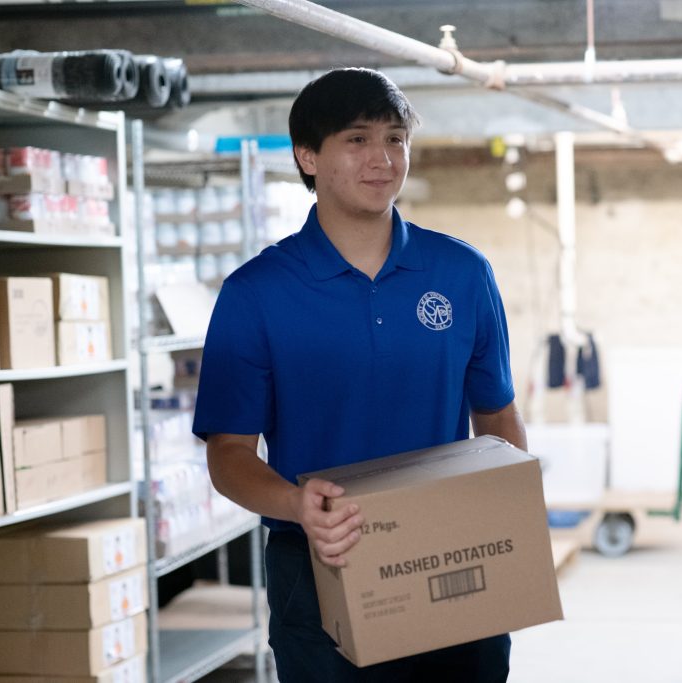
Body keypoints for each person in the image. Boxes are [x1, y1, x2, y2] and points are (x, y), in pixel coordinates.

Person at [192, 67, 527, 682]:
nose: (383, 158)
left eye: (395, 138)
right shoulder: (256, 294)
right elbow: (229, 452)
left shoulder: (461, 273)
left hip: (450, 545)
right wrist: (295, 502)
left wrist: (510, 519)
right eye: (357, 139)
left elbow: (497, 415)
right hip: (320, 556)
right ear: (307, 157)